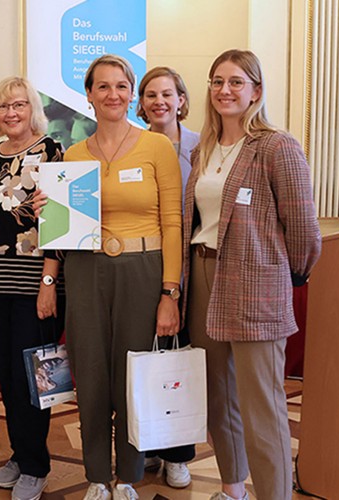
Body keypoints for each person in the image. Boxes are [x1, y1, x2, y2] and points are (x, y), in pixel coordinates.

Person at [36, 54, 182, 500]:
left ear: (131, 94)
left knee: (133, 376)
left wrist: (169, 292)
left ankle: (130, 477)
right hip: (86, 270)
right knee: (93, 374)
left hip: (143, 269)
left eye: (121, 86)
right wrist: (49, 212)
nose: (113, 94)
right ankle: (98, 476)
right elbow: (65, 228)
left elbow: (173, 221)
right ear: (89, 95)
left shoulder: (157, 146)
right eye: (103, 87)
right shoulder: (74, 154)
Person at [183, 49, 321, 500]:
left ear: (256, 91)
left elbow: (303, 229)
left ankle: (274, 494)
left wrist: (288, 274)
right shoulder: (204, 148)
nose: (225, 90)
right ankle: (232, 488)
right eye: (217, 81)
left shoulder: (277, 145)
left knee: (262, 406)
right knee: (218, 399)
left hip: (255, 284)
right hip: (203, 277)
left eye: (237, 82)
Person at [0, 76, 65, 500]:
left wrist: (49, 282)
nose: (10, 112)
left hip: (33, 285)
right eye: (2, 106)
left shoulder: (52, 151)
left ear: (33, 110)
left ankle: (36, 465)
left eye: (19, 105)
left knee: (35, 377)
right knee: (8, 375)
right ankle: (20, 452)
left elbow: (59, 225)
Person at [135, 65, 198, 489]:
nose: (159, 101)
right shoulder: (134, 145)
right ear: (141, 104)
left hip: (191, 266)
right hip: (144, 264)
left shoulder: (202, 146)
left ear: (181, 100)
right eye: (150, 94)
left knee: (179, 355)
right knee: (145, 355)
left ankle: (178, 453)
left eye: (167, 94)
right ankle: (149, 444)